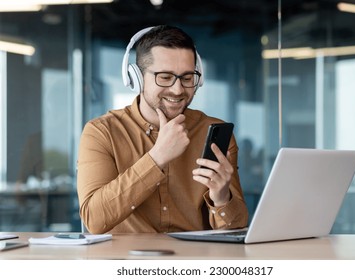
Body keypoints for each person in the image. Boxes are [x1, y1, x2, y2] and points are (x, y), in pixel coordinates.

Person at [77, 25, 248, 234]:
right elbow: (94, 220)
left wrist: (222, 198)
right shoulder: (101, 132)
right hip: (125, 263)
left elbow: (236, 231)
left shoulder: (213, 132)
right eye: (165, 77)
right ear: (136, 78)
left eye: (187, 78)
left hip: (193, 262)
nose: (178, 90)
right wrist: (157, 158)